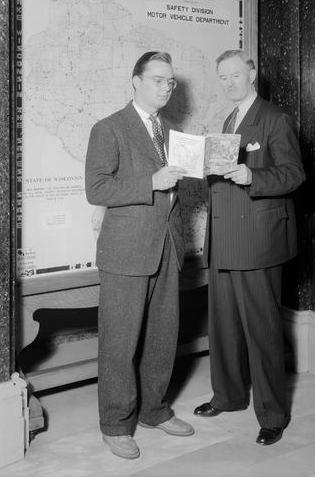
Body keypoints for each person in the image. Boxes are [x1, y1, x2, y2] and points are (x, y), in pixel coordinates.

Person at [85, 51, 193, 460]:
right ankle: (115, 424)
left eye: (170, 82)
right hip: (125, 251)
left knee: (163, 338)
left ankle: (154, 410)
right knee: (119, 342)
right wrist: (150, 181)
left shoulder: (169, 132)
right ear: (135, 81)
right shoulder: (109, 128)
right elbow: (97, 189)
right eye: (158, 80)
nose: (166, 87)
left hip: (166, 248)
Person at [194, 49, 305, 446]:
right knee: (222, 326)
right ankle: (229, 396)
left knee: (263, 332)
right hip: (224, 239)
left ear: (252, 74)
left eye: (235, 75)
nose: (229, 82)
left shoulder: (275, 119)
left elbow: (294, 174)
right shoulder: (228, 120)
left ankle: (273, 414)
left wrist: (250, 175)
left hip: (258, 242)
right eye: (222, 77)